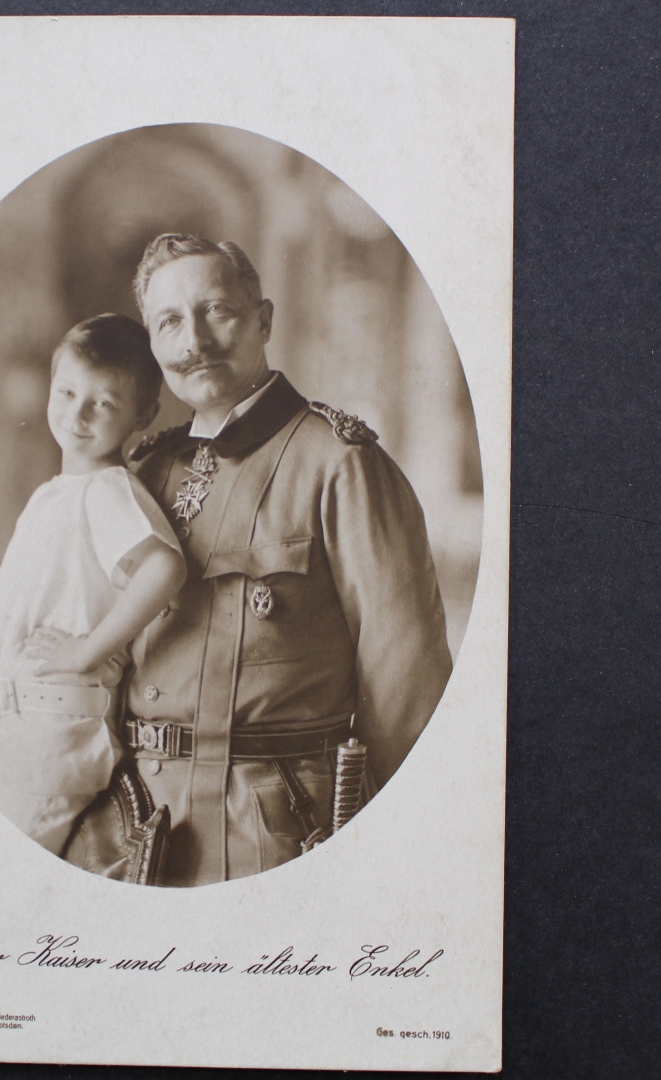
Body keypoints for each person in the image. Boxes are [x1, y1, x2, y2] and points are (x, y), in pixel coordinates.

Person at [62, 233, 454, 886]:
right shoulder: (143, 472)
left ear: (263, 319)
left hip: (276, 837)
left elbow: (407, 692)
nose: (195, 341)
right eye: (169, 322)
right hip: (131, 833)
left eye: (216, 310)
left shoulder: (340, 464)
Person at [0, 314, 186, 854]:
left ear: (142, 415)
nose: (77, 414)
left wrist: (85, 650)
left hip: (54, 735)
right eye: (67, 393)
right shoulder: (56, 493)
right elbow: (33, 597)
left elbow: (164, 570)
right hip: (13, 722)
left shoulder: (106, 490)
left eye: (103, 403)